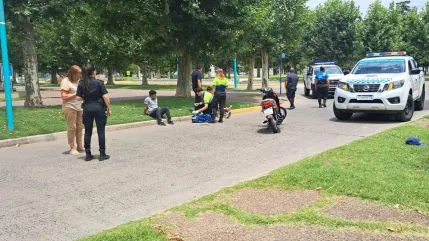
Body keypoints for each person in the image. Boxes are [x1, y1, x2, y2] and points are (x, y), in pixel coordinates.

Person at [76, 65, 111, 162]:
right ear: (93, 72)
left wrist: (86, 98)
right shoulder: (99, 83)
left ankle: (88, 154)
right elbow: (106, 97)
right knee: (101, 131)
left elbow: (78, 97)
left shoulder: (81, 83)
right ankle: (102, 154)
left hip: (87, 108)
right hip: (99, 108)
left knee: (87, 132)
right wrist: (109, 108)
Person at [60, 65, 84, 155]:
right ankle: (72, 148)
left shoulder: (79, 81)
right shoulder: (66, 81)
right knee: (72, 127)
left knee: (80, 127)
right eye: (78, 74)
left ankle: (80, 146)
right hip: (69, 107)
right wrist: (76, 94)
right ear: (73, 73)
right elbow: (64, 97)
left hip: (79, 107)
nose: (80, 76)